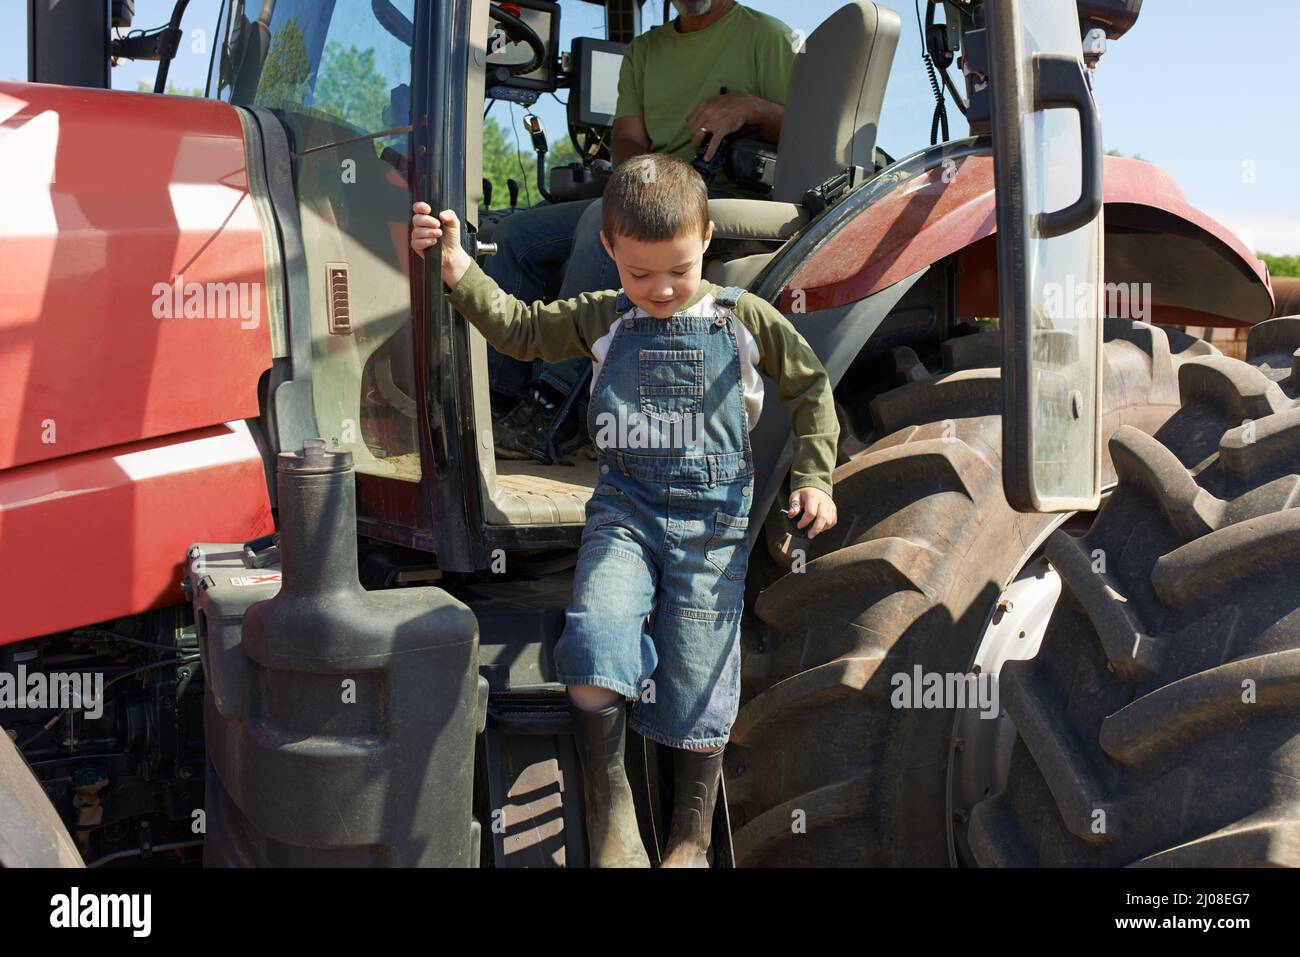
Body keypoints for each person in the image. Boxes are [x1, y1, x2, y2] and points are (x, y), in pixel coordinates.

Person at [411, 153, 839, 867]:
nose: (661, 290)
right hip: (625, 512)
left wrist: (815, 476)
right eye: (639, 275)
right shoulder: (603, 317)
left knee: (699, 678)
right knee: (595, 644)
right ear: (609, 250)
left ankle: (691, 838)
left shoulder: (744, 319)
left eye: (677, 269)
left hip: (713, 527)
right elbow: (518, 327)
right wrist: (456, 264)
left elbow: (812, 389)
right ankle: (612, 807)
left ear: (706, 237)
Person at [486, 0, 799, 462]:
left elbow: (807, 129)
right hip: (659, 185)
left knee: (602, 220)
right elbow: (628, 140)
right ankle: (502, 400)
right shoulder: (644, 51)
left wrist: (750, 108)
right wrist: (642, 180)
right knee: (515, 236)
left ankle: (552, 408)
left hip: (727, 193)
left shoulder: (767, 36)